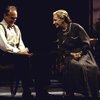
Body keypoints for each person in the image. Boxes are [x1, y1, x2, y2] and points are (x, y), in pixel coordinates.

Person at [52, 9, 99, 98]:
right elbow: (61, 49)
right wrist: (71, 54)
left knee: (91, 68)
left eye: (55, 20)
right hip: (69, 56)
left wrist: (80, 53)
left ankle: (92, 94)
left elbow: (86, 43)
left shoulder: (76, 27)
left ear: (62, 19)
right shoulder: (59, 34)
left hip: (83, 53)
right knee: (76, 65)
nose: (53, 22)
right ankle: (83, 92)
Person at [0, 6, 33, 97]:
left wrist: (23, 51)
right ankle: (28, 87)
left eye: (15, 18)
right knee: (23, 59)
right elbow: (4, 46)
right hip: (4, 55)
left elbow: (20, 43)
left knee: (31, 56)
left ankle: (33, 87)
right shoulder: (1, 27)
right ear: (5, 16)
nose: (14, 20)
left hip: (16, 55)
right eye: (12, 18)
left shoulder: (16, 28)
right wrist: (19, 52)